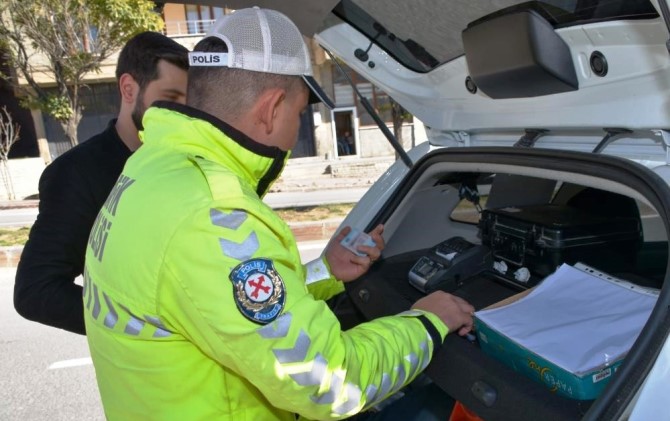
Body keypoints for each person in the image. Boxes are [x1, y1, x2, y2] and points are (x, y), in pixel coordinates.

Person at [83, 8, 474, 421]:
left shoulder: (153, 168)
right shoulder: (212, 214)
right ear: (271, 109)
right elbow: (331, 383)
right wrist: (429, 321)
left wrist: (325, 272)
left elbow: (215, 301)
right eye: (300, 112)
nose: (294, 129)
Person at [13, 32, 189, 335]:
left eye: (188, 102)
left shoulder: (187, 162)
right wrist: (145, 329)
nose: (182, 113)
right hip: (142, 368)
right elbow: (36, 290)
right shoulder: (77, 173)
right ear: (129, 88)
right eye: (170, 99)